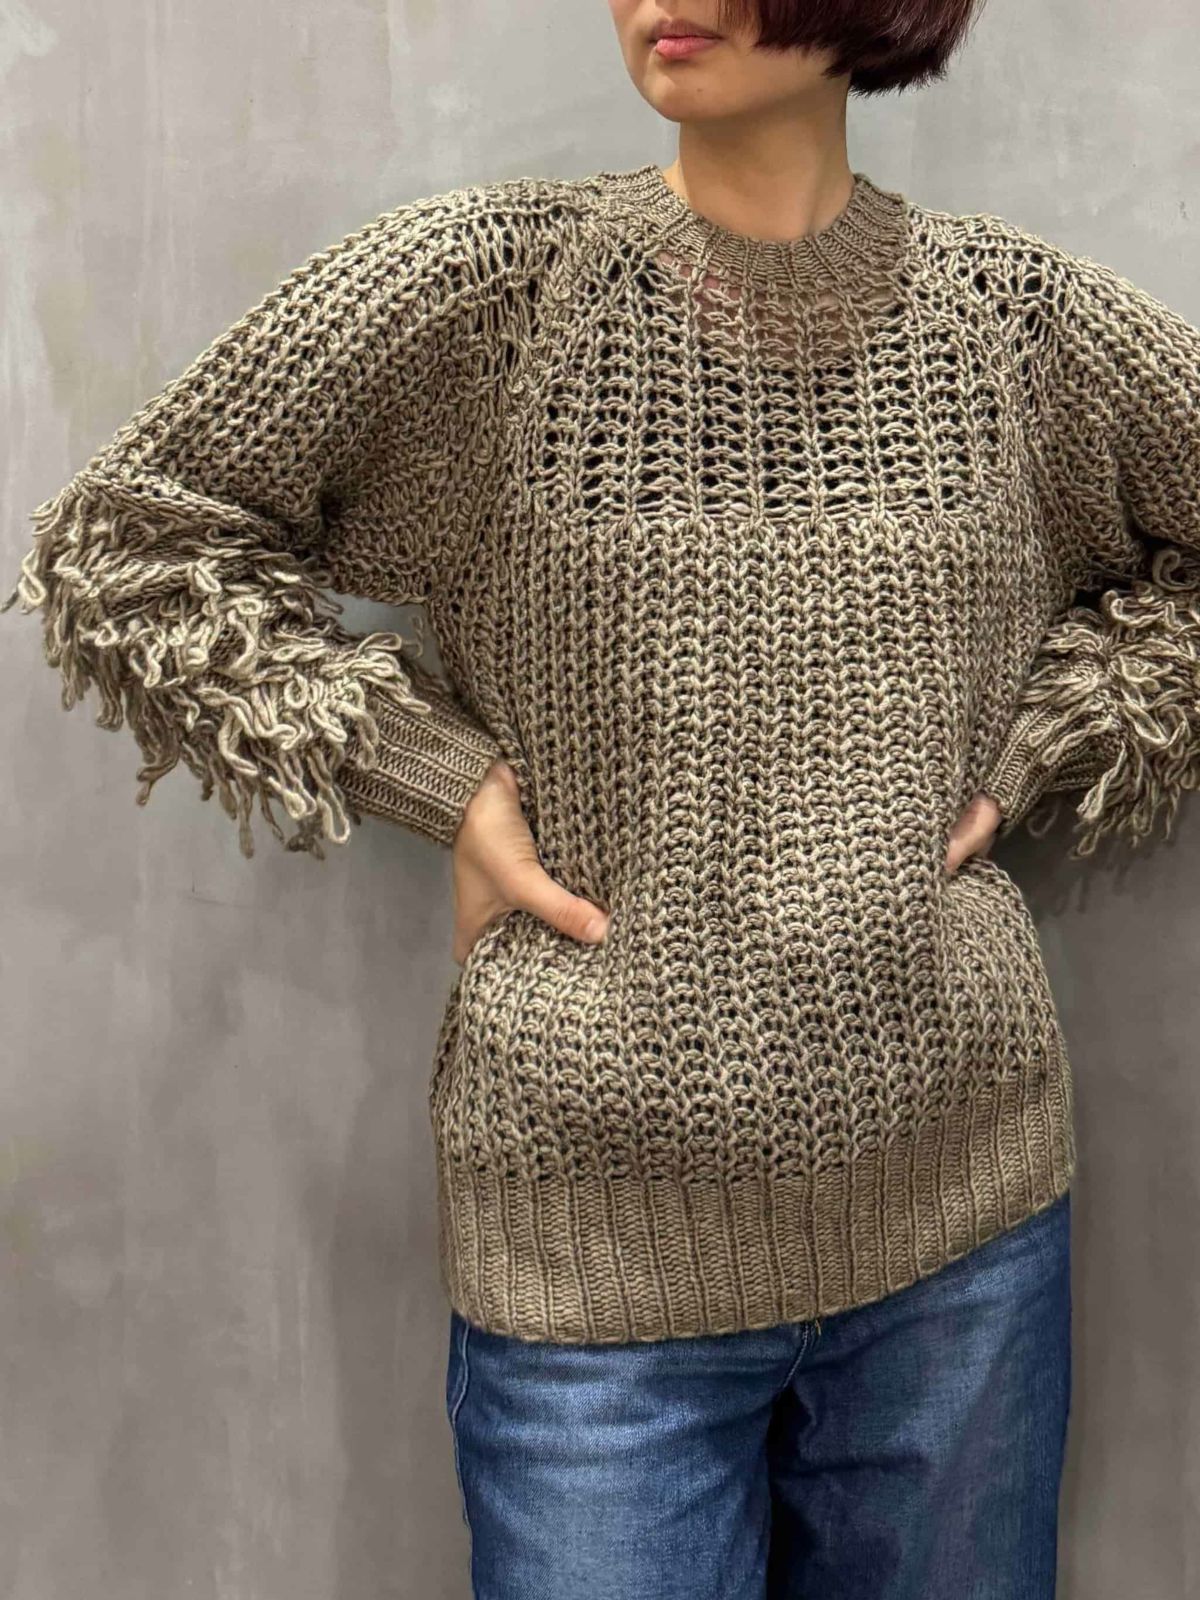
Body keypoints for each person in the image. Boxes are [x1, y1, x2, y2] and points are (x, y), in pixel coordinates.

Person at [6, 1, 1200, 1595]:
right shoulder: (494, 302)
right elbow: (132, 544)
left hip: (960, 1231)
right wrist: (435, 779)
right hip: (591, 1265)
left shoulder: (1018, 329)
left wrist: (1058, 736)